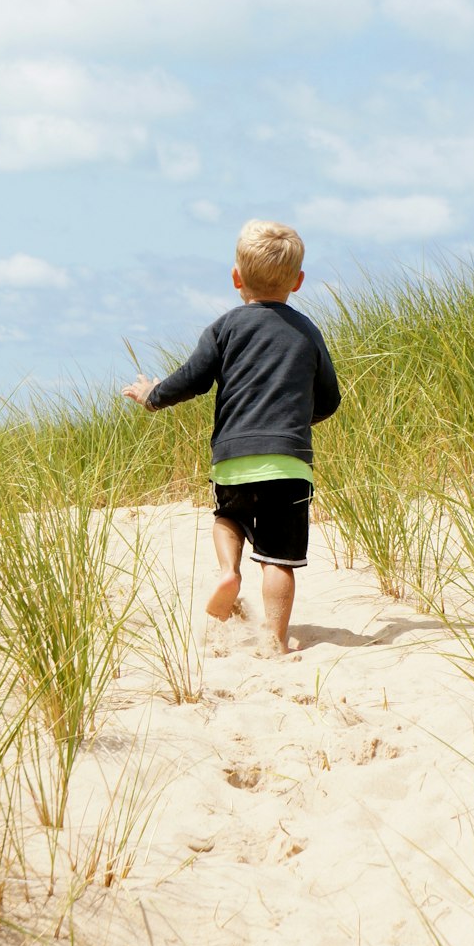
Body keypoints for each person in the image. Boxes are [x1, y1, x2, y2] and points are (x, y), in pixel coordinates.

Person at [122, 219, 341, 652]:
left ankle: (229, 571)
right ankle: (276, 640)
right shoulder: (308, 333)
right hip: (288, 462)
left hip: (233, 457)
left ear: (236, 278)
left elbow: (191, 379)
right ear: (297, 282)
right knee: (279, 557)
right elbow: (330, 399)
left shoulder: (224, 328)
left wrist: (152, 396)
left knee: (228, 518)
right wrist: (294, 421)